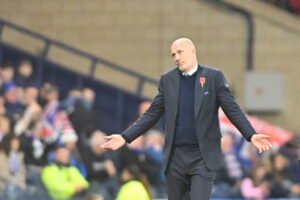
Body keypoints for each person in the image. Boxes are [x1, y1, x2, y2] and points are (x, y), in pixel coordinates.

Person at [101, 38, 272, 200]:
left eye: (180, 52)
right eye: (173, 54)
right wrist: (125, 137)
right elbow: (152, 113)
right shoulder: (167, 80)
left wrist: (251, 135)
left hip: (202, 156)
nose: (176, 57)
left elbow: (232, 109)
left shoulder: (214, 77)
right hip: (175, 157)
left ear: (193, 51)